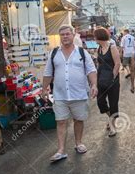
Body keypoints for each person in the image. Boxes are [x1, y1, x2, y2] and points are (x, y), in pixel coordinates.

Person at [42, 25, 98, 162]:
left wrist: (94, 85)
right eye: (62, 35)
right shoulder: (53, 53)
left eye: (67, 34)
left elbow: (91, 70)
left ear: (73, 35)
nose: (65, 37)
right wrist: (44, 89)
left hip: (79, 93)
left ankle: (78, 143)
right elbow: (48, 73)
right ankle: (61, 150)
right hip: (60, 95)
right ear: (60, 37)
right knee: (60, 121)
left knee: (78, 120)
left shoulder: (82, 53)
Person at [94, 27, 121, 137]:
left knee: (113, 102)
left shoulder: (112, 47)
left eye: (95, 36)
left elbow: (117, 63)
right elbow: (99, 64)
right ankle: (110, 116)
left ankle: (113, 126)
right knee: (100, 101)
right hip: (101, 78)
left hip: (112, 79)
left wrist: (113, 77)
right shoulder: (98, 49)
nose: (94, 38)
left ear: (99, 37)